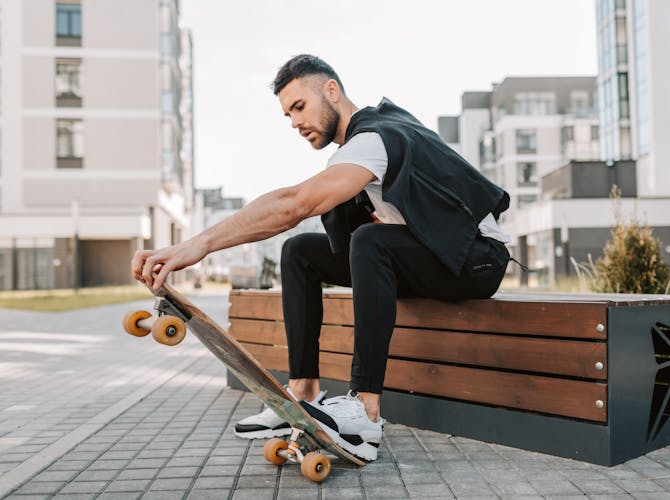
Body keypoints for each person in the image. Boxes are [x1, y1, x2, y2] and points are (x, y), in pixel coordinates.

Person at [131, 54, 512, 462]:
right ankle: (304, 390)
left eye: (299, 107)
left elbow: (293, 204)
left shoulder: (375, 138)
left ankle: (365, 412)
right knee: (300, 251)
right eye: (287, 115)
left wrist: (197, 246)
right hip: (432, 256)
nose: (295, 122)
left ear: (332, 90)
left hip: (476, 260)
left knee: (370, 240)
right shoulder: (361, 146)